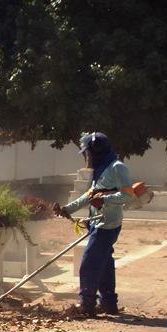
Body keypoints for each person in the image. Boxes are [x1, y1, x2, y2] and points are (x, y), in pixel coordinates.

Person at [53, 132, 134, 316]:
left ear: (97, 150)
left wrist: (104, 200)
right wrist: (68, 209)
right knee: (104, 263)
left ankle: (87, 305)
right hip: (97, 223)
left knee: (89, 262)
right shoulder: (101, 169)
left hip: (107, 225)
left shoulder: (117, 167)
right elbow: (89, 196)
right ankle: (108, 303)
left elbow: (128, 194)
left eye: (88, 153)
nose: (87, 157)